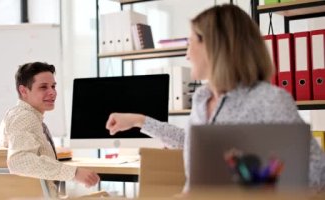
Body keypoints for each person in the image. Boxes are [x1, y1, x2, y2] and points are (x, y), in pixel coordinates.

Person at [106, 4, 325, 193]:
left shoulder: (269, 100)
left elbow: (317, 174)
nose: (187, 54)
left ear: (214, 46)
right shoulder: (203, 98)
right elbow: (192, 143)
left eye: (191, 43)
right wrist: (139, 121)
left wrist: (249, 180)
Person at [0, 62, 100, 198]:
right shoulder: (24, 117)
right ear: (23, 91)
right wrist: (74, 173)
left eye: (53, 86)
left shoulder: (16, 114)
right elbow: (19, 161)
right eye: (43, 87)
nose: (52, 92)